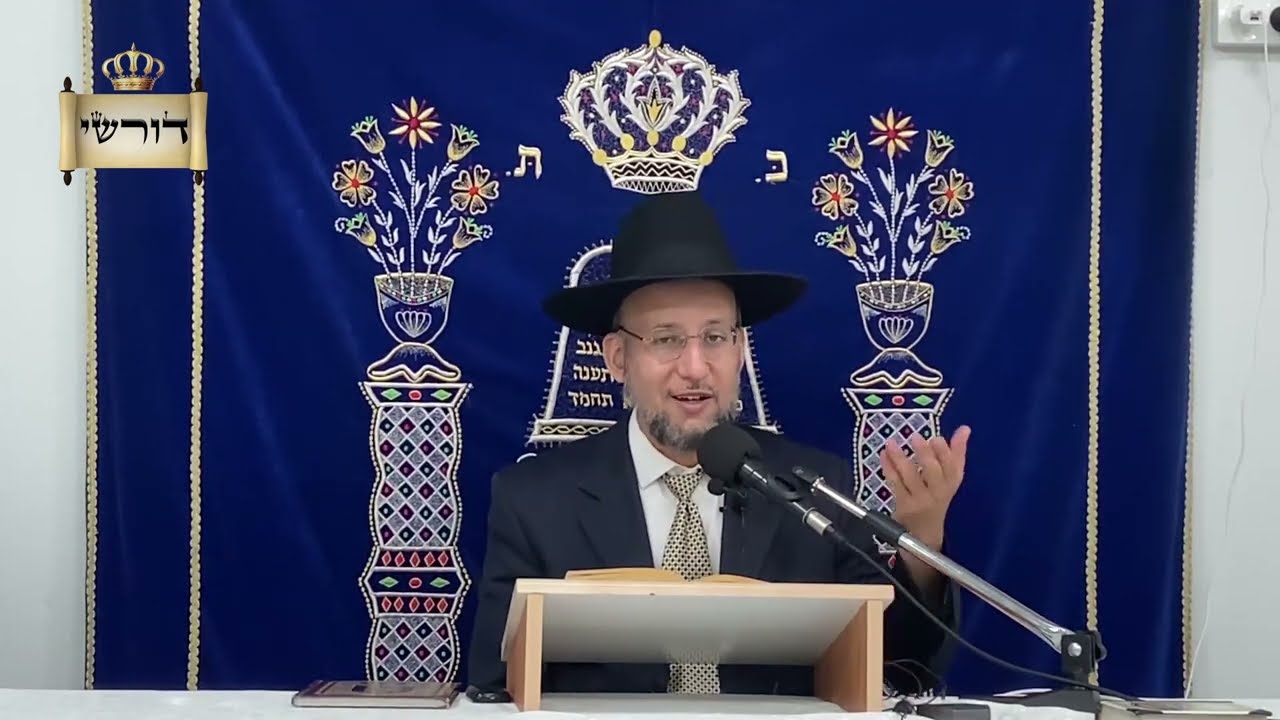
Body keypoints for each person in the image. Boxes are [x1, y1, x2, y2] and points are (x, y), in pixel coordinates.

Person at [466, 190, 970, 697]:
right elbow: (494, 692)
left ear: (740, 349)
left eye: (714, 338)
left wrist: (922, 545)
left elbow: (900, 668)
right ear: (617, 358)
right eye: (666, 339)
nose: (695, 368)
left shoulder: (814, 490)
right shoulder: (534, 501)